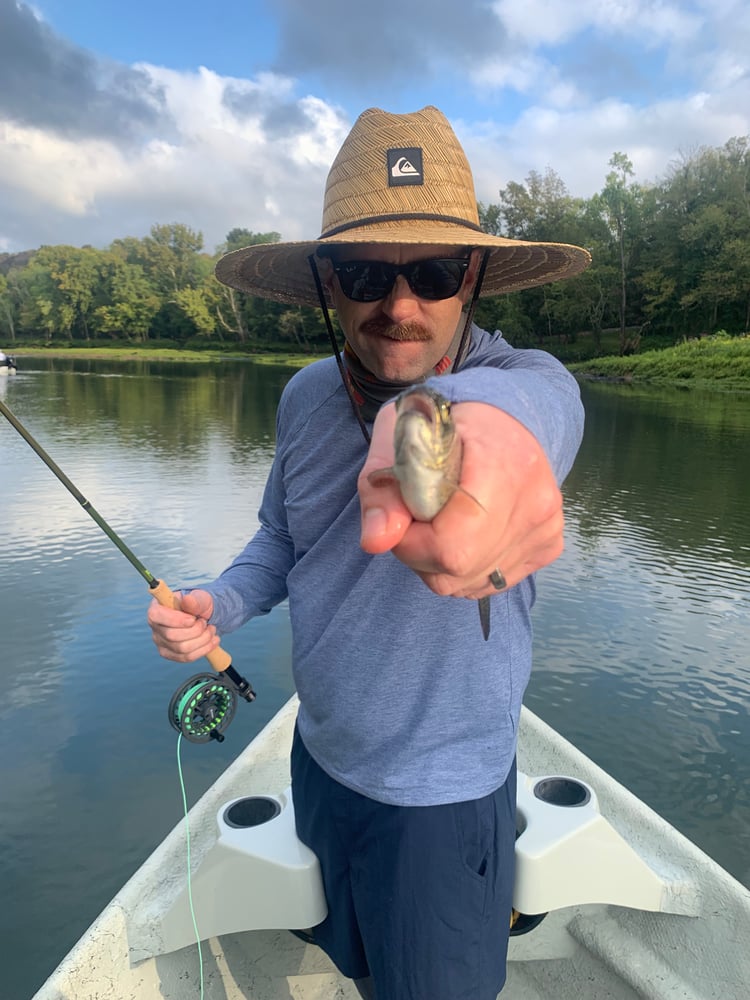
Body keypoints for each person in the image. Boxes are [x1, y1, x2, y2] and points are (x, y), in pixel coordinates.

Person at [148, 106, 591, 1000]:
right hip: (320, 761)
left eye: (431, 272)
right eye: (363, 274)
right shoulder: (305, 397)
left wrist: (480, 430)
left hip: (443, 800)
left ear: (472, 278)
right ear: (327, 285)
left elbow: (541, 413)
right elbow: (281, 538)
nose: (399, 307)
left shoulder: (519, 387)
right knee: (354, 964)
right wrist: (218, 604)